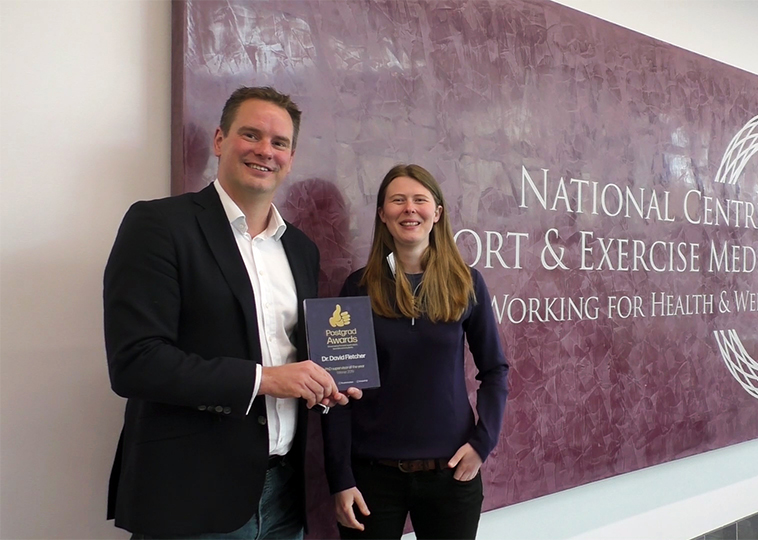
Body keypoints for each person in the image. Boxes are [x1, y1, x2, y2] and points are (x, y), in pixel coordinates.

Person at [103, 86, 360, 538]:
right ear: (220, 140)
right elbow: (135, 362)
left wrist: (325, 382)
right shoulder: (159, 225)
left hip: (285, 494)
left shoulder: (300, 249)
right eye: (251, 135)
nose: (265, 150)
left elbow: (292, 355)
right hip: (192, 496)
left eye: (279, 143)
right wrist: (265, 379)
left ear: (292, 157)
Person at [322, 164, 509, 539]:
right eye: (398, 200)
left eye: (420, 199)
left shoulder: (466, 282)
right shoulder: (357, 287)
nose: (410, 208)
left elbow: (494, 370)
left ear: (437, 213)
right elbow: (336, 390)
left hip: (450, 473)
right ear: (382, 214)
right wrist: (340, 478)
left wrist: (482, 443)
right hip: (371, 478)